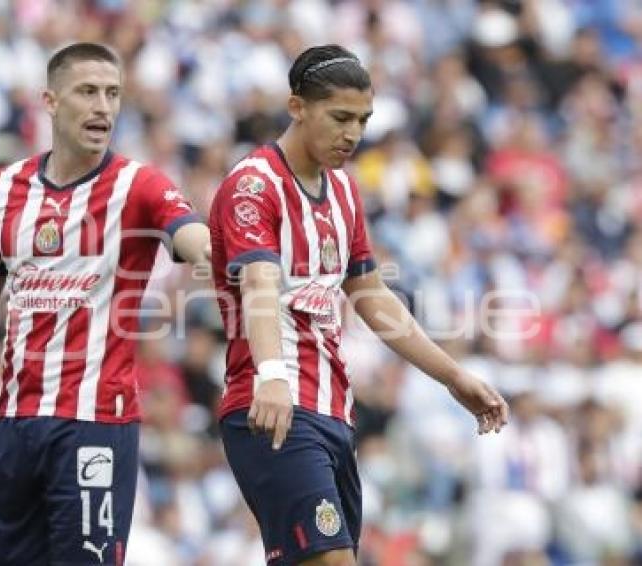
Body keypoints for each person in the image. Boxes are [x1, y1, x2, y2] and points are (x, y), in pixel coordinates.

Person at [0, 42, 210, 565]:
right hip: (14, 425)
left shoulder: (139, 186)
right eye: (87, 92)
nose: (103, 107)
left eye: (113, 94)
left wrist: (220, 254)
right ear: (50, 101)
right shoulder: (2, 191)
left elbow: (192, 235)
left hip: (94, 429)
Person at [209, 44, 510, 566]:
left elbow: (371, 296)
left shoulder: (344, 191)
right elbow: (259, 282)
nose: (353, 133)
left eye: (363, 120)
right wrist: (273, 375)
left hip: (333, 412)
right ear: (297, 107)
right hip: (273, 407)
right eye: (340, 117)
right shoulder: (253, 185)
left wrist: (453, 376)